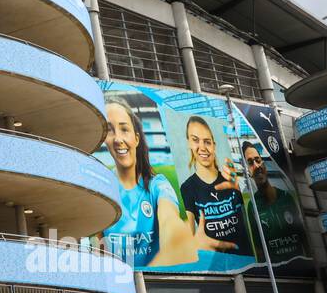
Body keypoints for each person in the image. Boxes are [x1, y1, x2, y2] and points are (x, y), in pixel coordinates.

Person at [101, 98, 198, 268]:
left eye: (124, 129)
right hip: (118, 291)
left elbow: (171, 221)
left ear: (137, 139)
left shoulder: (158, 186)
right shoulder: (102, 189)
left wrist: (178, 236)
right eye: (110, 130)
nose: (117, 138)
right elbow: (100, 251)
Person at [179, 117, 255, 258]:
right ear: (189, 143)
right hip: (217, 267)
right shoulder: (187, 187)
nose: (202, 147)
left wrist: (239, 189)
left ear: (214, 145)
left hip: (248, 262)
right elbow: (187, 240)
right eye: (195, 140)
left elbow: (254, 220)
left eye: (207, 142)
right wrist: (194, 244)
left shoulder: (231, 180)